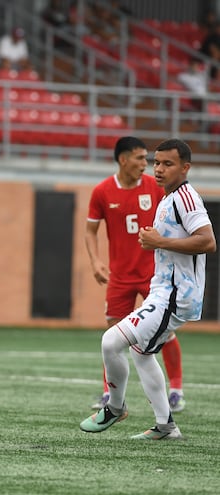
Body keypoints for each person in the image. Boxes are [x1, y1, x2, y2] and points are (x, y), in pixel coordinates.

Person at [80, 138, 215, 440]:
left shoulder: (186, 198)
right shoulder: (168, 198)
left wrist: (159, 242)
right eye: (156, 162)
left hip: (175, 296)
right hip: (161, 291)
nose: (158, 168)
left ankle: (115, 407)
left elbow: (208, 241)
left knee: (111, 342)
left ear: (185, 167)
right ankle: (166, 427)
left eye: (167, 164)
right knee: (141, 352)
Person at [85, 137, 187, 413]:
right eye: (140, 158)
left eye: (147, 159)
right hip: (119, 277)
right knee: (113, 336)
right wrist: (95, 261)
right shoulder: (102, 191)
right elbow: (90, 231)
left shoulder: (156, 188)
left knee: (164, 333)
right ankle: (110, 394)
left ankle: (176, 389)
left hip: (154, 274)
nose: (146, 164)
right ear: (123, 159)